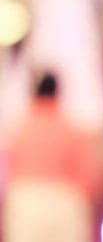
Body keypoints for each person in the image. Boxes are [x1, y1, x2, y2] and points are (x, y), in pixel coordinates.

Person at [4, 73, 98, 242]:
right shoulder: (72, 128)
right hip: (64, 200)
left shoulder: (19, 128)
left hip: (26, 199)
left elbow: (7, 168)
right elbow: (89, 176)